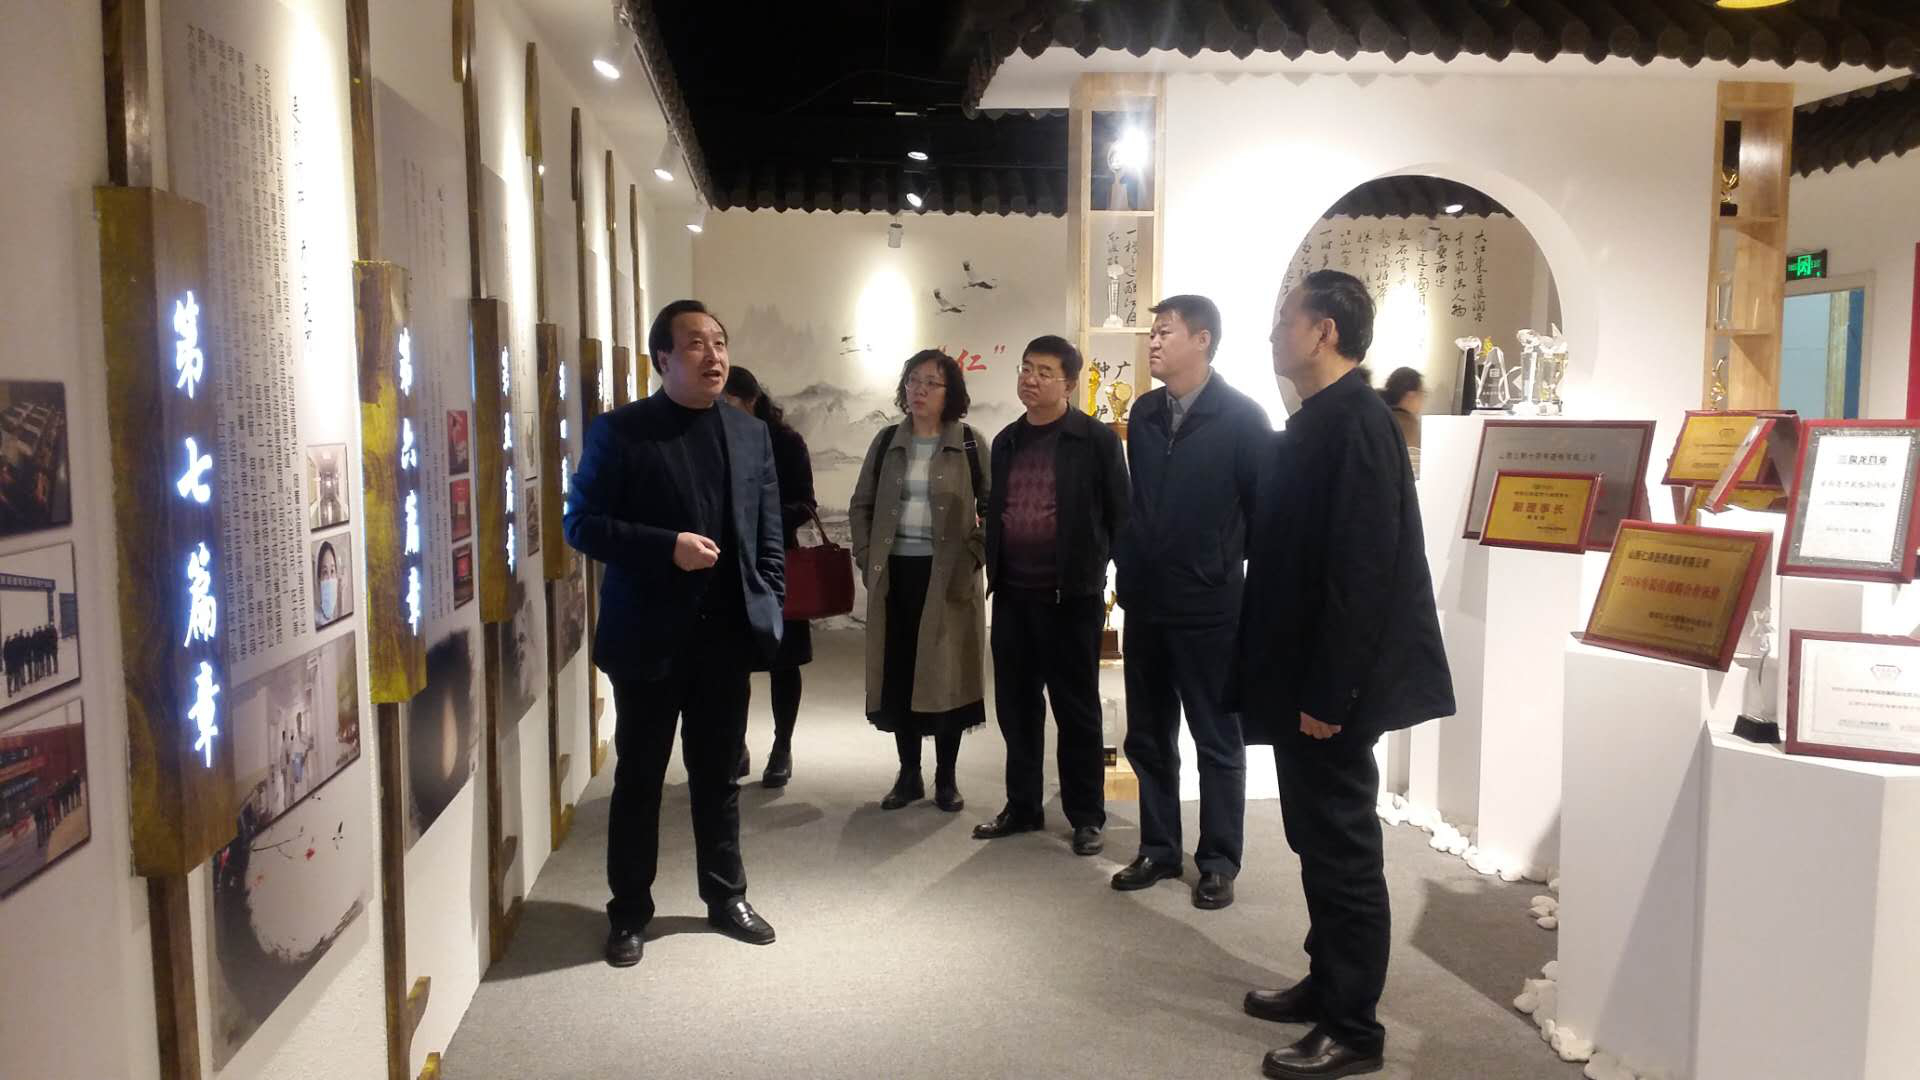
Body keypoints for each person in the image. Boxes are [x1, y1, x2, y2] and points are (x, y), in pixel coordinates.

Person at [1236, 270, 1454, 1079]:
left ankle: (1354, 1028)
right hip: (1306, 677)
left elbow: (1361, 573)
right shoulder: (1326, 418)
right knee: (1315, 840)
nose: (1273, 334)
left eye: (1283, 319)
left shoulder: (1356, 422)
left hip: (1332, 688)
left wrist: (1331, 693)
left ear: (1323, 331)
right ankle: (1328, 982)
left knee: (1343, 850)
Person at [563, 298, 786, 969]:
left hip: (726, 638)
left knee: (718, 776)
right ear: (663, 358)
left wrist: (770, 598)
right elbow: (581, 524)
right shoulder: (621, 431)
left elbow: (767, 529)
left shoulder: (749, 433)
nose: (714, 355)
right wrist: (668, 547)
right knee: (640, 779)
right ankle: (629, 911)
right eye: (695, 343)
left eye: (719, 342)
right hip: (648, 638)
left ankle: (726, 897)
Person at [1110, 294, 1269, 910]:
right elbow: (1139, 504)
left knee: (1216, 739)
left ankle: (1219, 860)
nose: (1152, 342)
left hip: (1210, 608)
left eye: (1164, 332)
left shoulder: (1243, 418)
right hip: (1147, 603)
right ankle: (1158, 848)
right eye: (1152, 332)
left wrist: (1216, 562)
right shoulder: (1145, 413)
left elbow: (1262, 513)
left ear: (1202, 340)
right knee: (1149, 736)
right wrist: (1130, 560)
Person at [973, 335, 1128, 856]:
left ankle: (1086, 815)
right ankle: (1022, 806)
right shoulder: (1007, 441)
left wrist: (1110, 573)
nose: (1030, 379)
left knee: (1075, 709)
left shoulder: (1094, 440)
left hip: (1071, 599)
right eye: (1025, 368)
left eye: (1043, 371)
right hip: (1013, 596)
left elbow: (1120, 513)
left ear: (1069, 383)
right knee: (1017, 709)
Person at [850, 349, 989, 814]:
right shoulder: (887, 441)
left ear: (951, 393)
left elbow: (995, 507)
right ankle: (908, 774)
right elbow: (861, 505)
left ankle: (946, 778)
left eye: (931, 382)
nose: (919, 391)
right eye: (913, 380)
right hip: (895, 575)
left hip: (949, 577)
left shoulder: (969, 443)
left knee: (947, 676)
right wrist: (866, 555)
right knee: (900, 672)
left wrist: (974, 554)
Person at [722, 366, 816, 789]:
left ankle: (782, 747)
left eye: (729, 402)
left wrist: (762, 516)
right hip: (729, 563)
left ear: (752, 400)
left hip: (778, 560)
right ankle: (734, 744)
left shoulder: (786, 442)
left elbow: (805, 503)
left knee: (784, 659)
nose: (722, 411)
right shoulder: (714, 439)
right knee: (732, 663)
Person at [1380, 366, 1425, 474]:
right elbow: (1413, 471)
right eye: (1422, 393)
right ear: (1411, 395)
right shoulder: (1408, 424)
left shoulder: (1381, 416)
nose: (1423, 399)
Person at [314, 541, 342, 628]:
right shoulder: (313, 621)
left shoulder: (336, 617)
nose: (330, 579)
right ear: (318, 579)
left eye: (332, 571)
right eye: (325, 572)